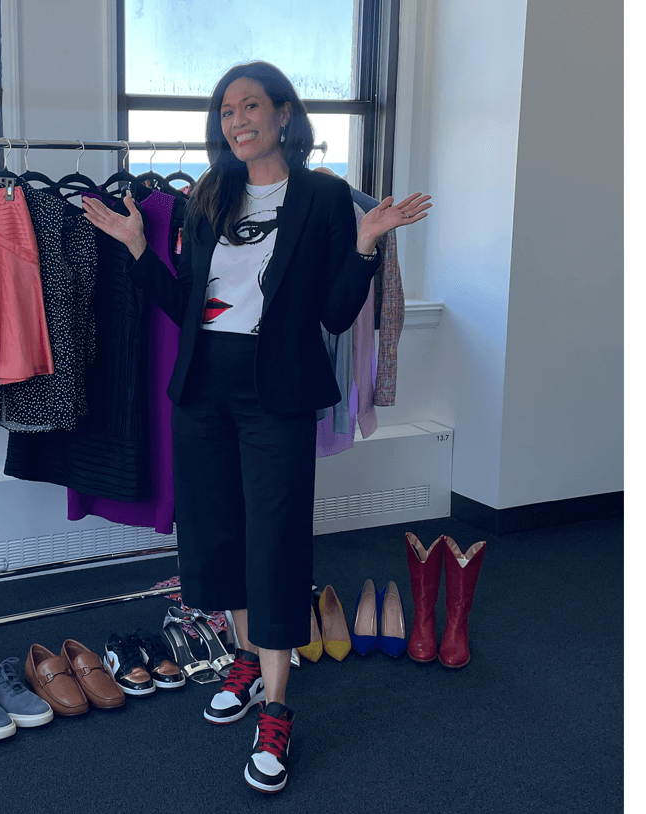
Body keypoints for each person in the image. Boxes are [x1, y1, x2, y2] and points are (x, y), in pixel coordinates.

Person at [81, 60, 430, 794]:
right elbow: (185, 306)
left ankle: (276, 706)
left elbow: (335, 314)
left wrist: (367, 243)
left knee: (273, 539)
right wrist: (138, 249)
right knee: (218, 533)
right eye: (226, 111)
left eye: (249, 107)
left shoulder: (325, 198)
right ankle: (245, 656)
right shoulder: (211, 195)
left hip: (276, 394)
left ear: (282, 115)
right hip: (204, 389)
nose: (236, 120)